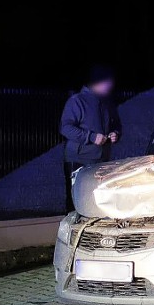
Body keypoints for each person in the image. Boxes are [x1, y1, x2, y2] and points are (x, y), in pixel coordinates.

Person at [60, 66, 121, 212]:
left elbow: (117, 124)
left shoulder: (107, 103)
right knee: (77, 201)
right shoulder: (77, 101)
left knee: (97, 201)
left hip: (102, 161)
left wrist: (115, 134)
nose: (110, 86)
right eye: (107, 82)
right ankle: (71, 231)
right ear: (96, 82)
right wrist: (91, 137)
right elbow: (66, 128)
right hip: (79, 160)